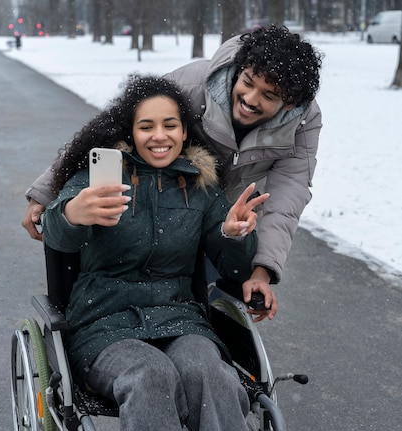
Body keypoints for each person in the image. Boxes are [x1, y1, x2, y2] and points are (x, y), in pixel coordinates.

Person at [42, 74, 294, 431]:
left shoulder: (199, 188)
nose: (160, 136)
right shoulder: (102, 177)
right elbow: (57, 229)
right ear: (130, 132)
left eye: (171, 125)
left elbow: (228, 267)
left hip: (180, 319)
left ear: (185, 131)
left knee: (212, 373)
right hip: (104, 325)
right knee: (150, 375)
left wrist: (232, 236)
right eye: (147, 126)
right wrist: (72, 212)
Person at [23, 24, 323, 315]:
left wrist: (262, 272)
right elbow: (107, 126)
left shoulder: (303, 123)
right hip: (173, 191)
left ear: (289, 103)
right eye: (247, 82)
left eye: (268, 96)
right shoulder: (192, 83)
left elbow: (289, 195)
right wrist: (45, 192)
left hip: (222, 208)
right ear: (241, 67)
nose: (249, 99)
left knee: (205, 278)